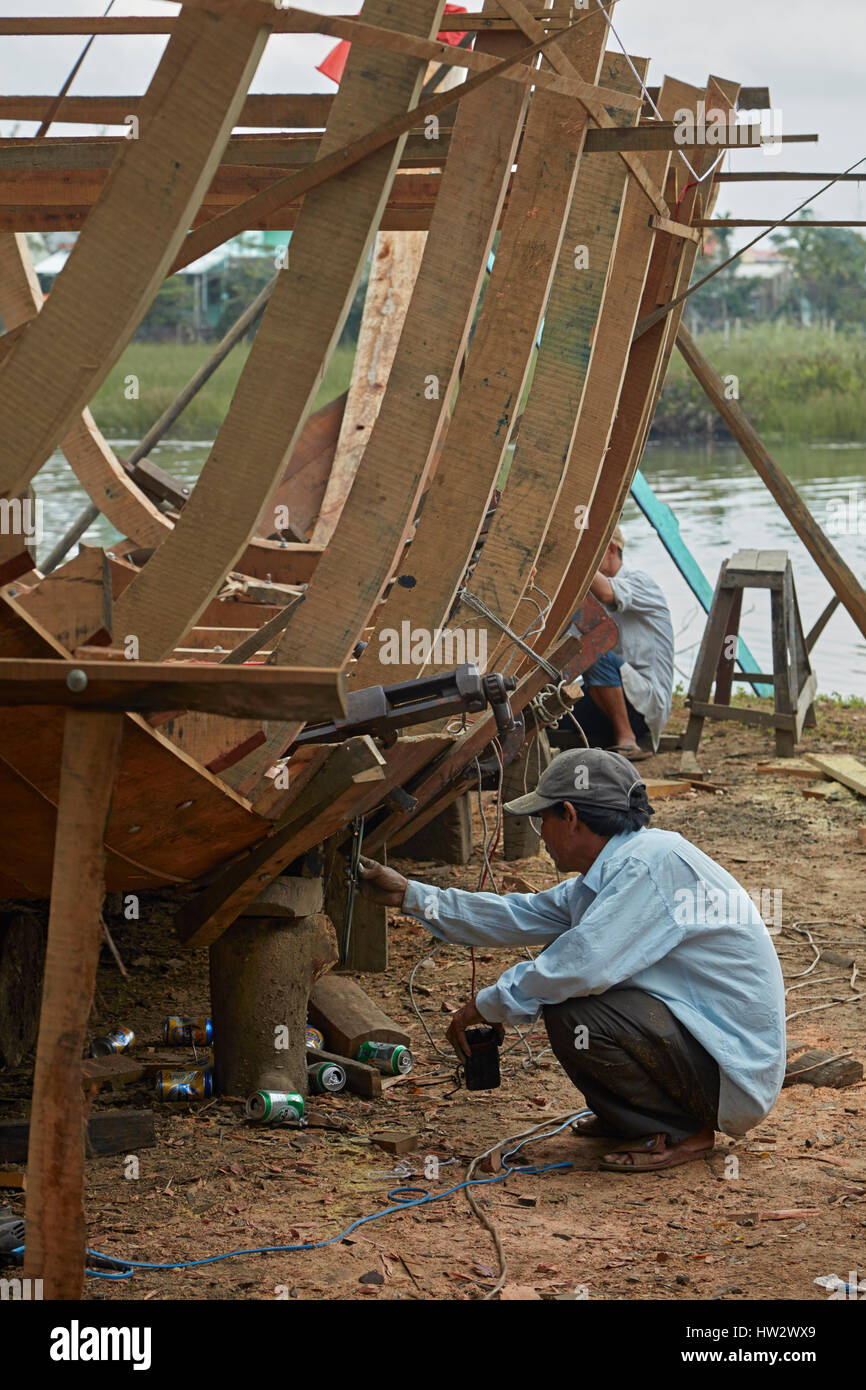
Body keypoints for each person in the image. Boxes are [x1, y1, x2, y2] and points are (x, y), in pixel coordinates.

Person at [358, 748, 786, 1174]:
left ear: (570, 815)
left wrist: (486, 1005)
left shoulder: (648, 866)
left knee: (572, 1006)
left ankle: (678, 1131)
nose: (540, 833)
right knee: (568, 1000)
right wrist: (408, 895)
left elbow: (581, 964)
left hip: (729, 1070)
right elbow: (517, 914)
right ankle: (635, 1117)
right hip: (700, 1046)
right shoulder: (611, 870)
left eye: (542, 819)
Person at [553, 524, 674, 762]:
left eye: (590, 555)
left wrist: (571, 557)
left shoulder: (640, 582)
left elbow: (608, 594)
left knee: (593, 650)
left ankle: (626, 738)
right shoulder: (586, 597)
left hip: (644, 706)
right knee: (550, 716)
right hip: (606, 696)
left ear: (610, 549)